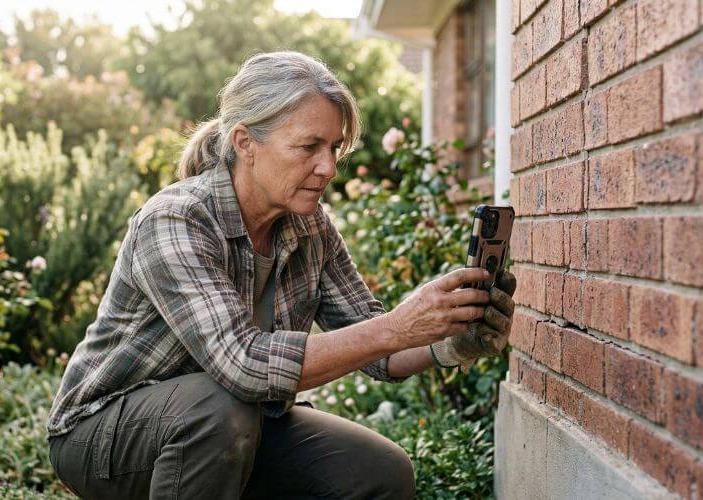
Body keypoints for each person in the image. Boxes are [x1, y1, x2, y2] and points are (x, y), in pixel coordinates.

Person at [46, 51, 516, 500]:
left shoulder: (310, 226)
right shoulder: (176, 220)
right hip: (103, 434)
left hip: (232, 425)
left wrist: (450, 341)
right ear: (245, 143)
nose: (328, 167)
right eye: (309, 146)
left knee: (379, 473)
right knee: (219, 408)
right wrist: (398, 325)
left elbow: (375, 347)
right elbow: (243, 366)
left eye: (334, 147)